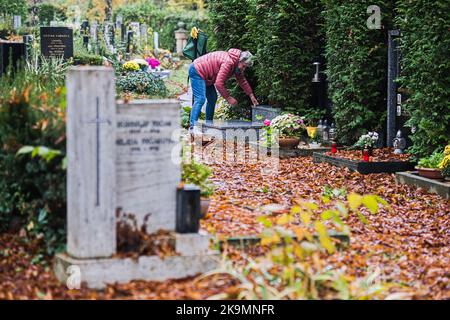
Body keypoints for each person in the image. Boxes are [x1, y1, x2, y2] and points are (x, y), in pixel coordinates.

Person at [188, 48, 259, 133]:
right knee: (200, 99)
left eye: (245, 68)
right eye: (243, 66)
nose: (243, 69)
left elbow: (242, 80)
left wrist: (251, 96)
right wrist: (228, 98)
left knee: (212, 98)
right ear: (240, 60)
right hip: (197, 70)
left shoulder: (235, 64)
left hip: (207, 76)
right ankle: (192, 128)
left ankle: (208, 125)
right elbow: (219, 83)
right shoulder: (228, 62)